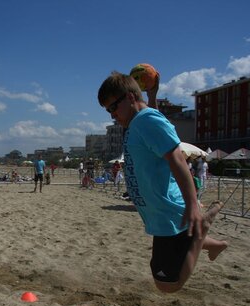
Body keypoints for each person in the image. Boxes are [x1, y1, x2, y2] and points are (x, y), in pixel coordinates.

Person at [97, 71, 227, 293]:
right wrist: (152, 95)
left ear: (129, 97)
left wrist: (193, 205)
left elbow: (178, 161)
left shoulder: (146, 120)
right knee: (180, 244)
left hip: (169, 212)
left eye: (113, 108)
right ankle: (215, 244)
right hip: (159, 213)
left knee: (167, 285)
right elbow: (153, 122)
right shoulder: (140, 120)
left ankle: (202, 228)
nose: (112, 115)